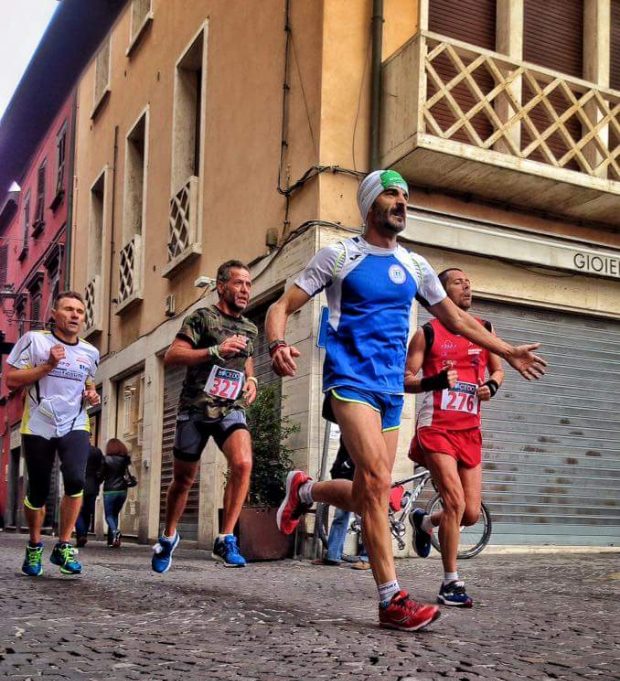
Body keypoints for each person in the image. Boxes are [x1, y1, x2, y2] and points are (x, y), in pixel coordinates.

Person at [266, 169, 546, 631]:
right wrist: (277, 344)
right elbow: (281, 305)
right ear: (370, 203)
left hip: (391, 390)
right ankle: (391, 598)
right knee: (378, 480)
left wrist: (507, 350)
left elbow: (456, 320)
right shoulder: (339, 256)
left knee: (365, 492)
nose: (401, 202)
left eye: (405, 195)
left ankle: (306, 491)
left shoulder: (415, 266)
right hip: (349, 381)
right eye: (392, 194)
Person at [405, 268, 504, 608]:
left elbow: (498, 368)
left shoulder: (484, 329)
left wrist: (492, 386)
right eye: (458, 282)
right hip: (436, 428)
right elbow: (405, 379)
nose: (467, 286)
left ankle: (424, 521)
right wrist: (434, 383)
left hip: (469, 430)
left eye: (469, 282)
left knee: (471, 513)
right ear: (442, 291)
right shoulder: (427, 333)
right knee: (455, 502)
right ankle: (450, 582)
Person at [152, 260, 258, 573]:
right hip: (195, 408)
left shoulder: (249, 327)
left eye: (248, 284)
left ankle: (225, 538)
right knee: (183, 480)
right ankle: (169, 535)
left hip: (230, 406)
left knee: (243, 463)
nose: (244, 290)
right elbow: (173, 356)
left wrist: (251, 380)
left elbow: (247, 358)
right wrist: (214, 352)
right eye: (238, 283)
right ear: (221, 286)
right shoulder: (202, 318)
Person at [5, 291, 100, 576]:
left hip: (75, 422)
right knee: (38, 490)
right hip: (39, 424)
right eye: (68, 309)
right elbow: (10, 380)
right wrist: (47, 366)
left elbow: (88, 383)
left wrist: (91, 393)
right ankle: (34, 545)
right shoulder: (35, 341)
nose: (74, 315)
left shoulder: (90, 352)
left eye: (79, 311)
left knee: (75, 480)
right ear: (54, 315)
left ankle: (63, 545)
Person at [315, 439, 370, 569]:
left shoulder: (366, 422)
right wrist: (339, 468)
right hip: (346, 474)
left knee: (365, 517)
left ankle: (367, 558)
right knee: (340, 515)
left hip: (360, 474)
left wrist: (349, 463)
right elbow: (344, 450)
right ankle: (333, 556)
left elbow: (367, 448)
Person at [101, 438, 134, 547]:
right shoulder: (125, 460)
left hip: (110, 490)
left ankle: (115, 532)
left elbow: (100, 474)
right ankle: (113, 541)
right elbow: (129, 474)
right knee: (115, 514)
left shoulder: (106, 459)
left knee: (108, 515)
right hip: (122, 491)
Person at [75, 438, 104, 547]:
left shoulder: (76, 450)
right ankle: (84, 535)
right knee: (87, 512)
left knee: (77, 512)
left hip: (78, 484)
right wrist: (98, 481)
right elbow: (102, 468)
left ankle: (81, 535)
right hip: (92, 486)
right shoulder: (97, 451)